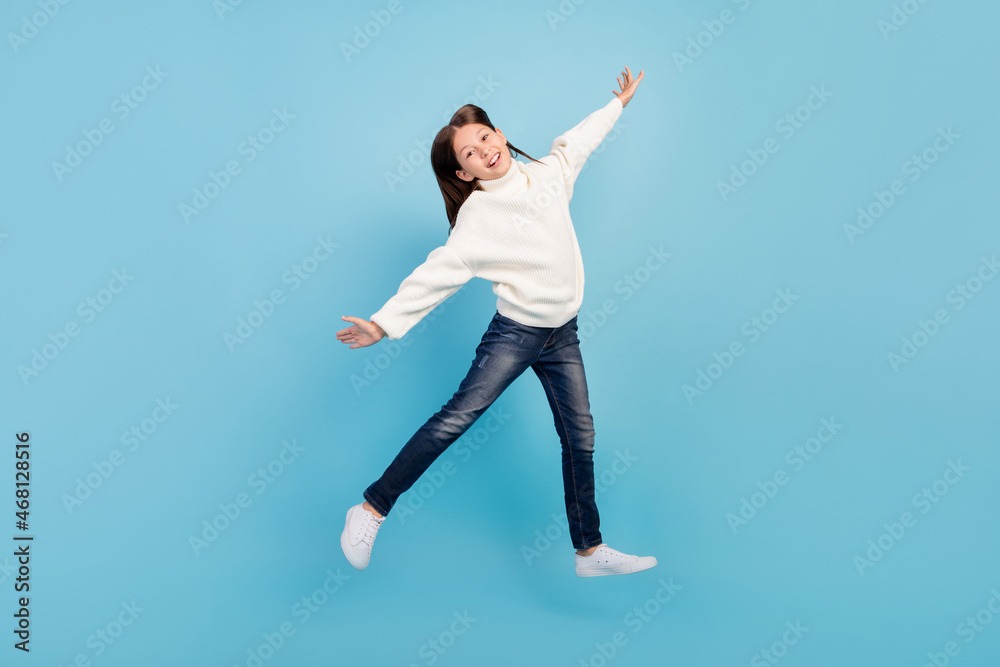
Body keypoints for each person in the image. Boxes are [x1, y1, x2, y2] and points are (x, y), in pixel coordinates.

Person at [337, 66, 655, 577]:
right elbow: (438, 273)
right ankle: (371, 509)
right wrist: (383, 323)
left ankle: (589, 551)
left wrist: (617, 105)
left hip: (563, 334)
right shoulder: (477, 219)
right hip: (516, 334)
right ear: (464, 173)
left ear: (500, 135)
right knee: (456, 418)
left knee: (580, 435)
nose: (483, 150)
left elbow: (578, 142)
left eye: (485, 137)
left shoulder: (548, 175)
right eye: (469, 153)